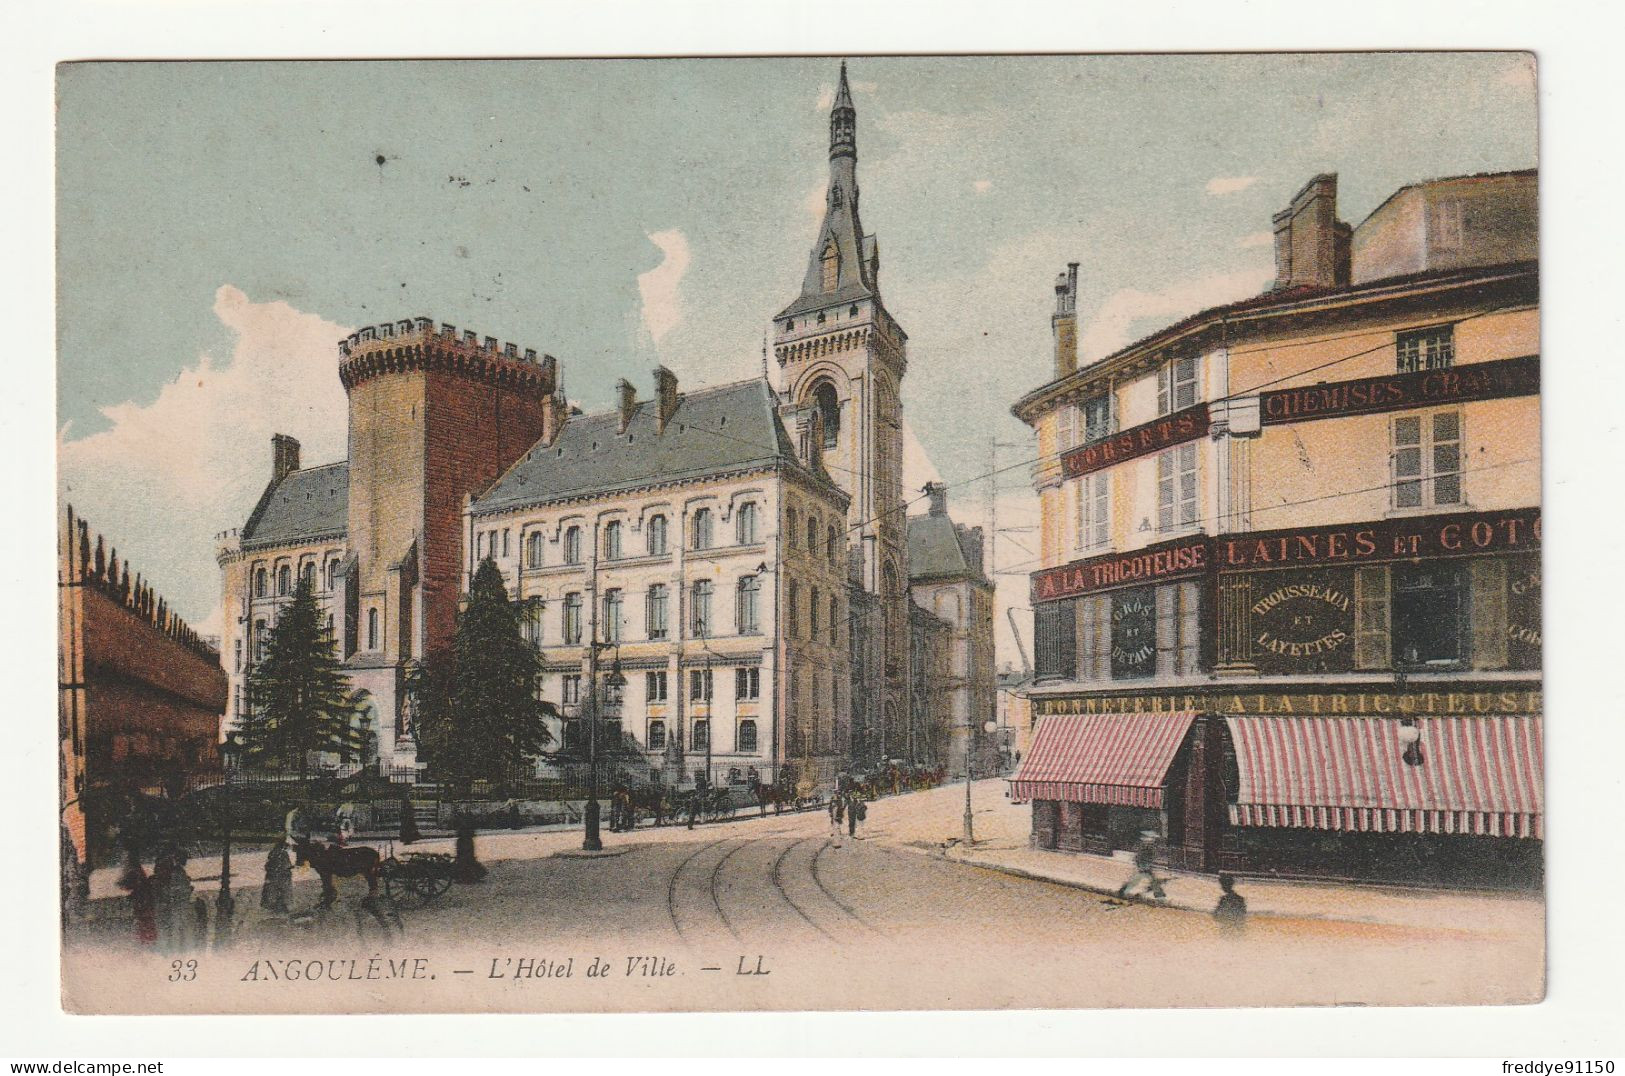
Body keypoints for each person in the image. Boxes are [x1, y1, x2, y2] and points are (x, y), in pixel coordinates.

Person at [1117, 832, 1167, 901]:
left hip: (1145, 867)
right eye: (1152, 841)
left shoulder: (1149, 848)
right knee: (1140, 881)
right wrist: (1141, 866)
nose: (1153, 842)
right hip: (1143, 867)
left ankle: (1160, 897)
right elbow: (1138, 858)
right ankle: (1160, 897)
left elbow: (1148, 857)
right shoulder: (1145, 849)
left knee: (1149, 881)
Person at [260, 837, 293, 916]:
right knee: (281, 891)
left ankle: (275, 907)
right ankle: (280, 907)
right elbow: (287, 865)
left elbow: (268, 865)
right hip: (281, 877)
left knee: (273, 892)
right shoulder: (283, 854)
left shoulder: (272, 852)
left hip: (273, 876)